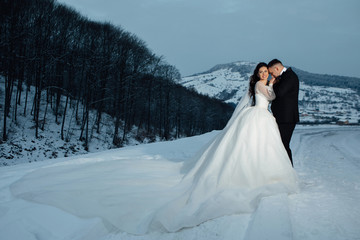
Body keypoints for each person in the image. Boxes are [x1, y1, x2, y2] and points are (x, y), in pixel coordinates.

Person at [10, 63, 298, 235]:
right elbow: (270, 95)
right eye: (261, 71)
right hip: (259, 117)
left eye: (265, 71)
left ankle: (257, 174)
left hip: (260, 119)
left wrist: (275, 82)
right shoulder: (263, 86)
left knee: (256, 151)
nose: (263, 74)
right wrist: (272, 81)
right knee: (251, 150)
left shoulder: (260, 84)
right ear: (257, 74)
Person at [268, 59, 299, 166]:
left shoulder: (290, 76)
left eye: (272, 73)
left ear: (277, 68)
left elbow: (280, 93)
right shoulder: (285, 77)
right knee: (280, 145)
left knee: (283, 145)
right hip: (281, 117)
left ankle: (290, 171)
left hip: (287, 118)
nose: (272, 76)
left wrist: (273, 84)